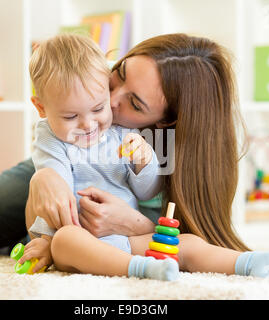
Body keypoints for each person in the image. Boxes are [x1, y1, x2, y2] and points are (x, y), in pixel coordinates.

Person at [0, 34, 269, 279]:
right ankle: (17, 248)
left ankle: (255, 264)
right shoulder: (72, 125)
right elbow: (52, 166)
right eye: (116, 74)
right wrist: (43, 178)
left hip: (122, 234)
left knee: (184, 246)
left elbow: (174, 222)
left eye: (133, 103)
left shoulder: (164, 152)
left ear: (166, 124)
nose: (107, 102)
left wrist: (138, 221)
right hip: (55, 198)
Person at [24, 33, 178, 280]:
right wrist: (46, 239)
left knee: (190, 244)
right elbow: (57, 194)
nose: (88, 125)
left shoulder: (124, 134)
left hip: (125, 238)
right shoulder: (53, 133)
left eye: (98, 108)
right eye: (71, 117)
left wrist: (143, 161)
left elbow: (147, 191)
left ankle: (246, 262)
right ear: (41, 108)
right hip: (81, 238)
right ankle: (142, 269)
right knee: (64, 240)